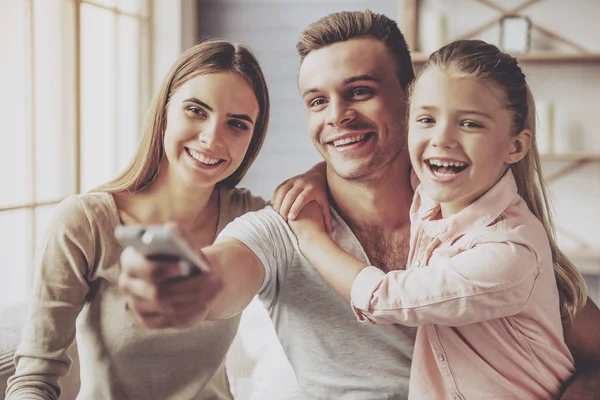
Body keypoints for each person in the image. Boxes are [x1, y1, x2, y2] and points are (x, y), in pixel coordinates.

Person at [119, 10, 600, 400]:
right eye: (317, 101)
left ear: (411, 99)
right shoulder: (286, 225)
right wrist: (184, 285)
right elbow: (218, 278)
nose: (337, 116)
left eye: (360, 92)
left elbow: (592, 347)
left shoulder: (473, 222)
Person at [5, 40, 328, 400]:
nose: (211, 138)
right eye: (196, 110)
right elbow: (35, 376)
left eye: (236, 124)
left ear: (252, 140)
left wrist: (318, 175)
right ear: (164, 111)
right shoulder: (85, 222)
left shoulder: (250, 218)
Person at [285, 39, 588, 399]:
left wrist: (310, 236)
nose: (441, 139)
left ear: (516, 146)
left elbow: (383, 298)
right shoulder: (433, 195)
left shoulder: (510, 250)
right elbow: (364, 163)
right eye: (426, 119)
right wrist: (316, 175)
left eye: (470, 124)